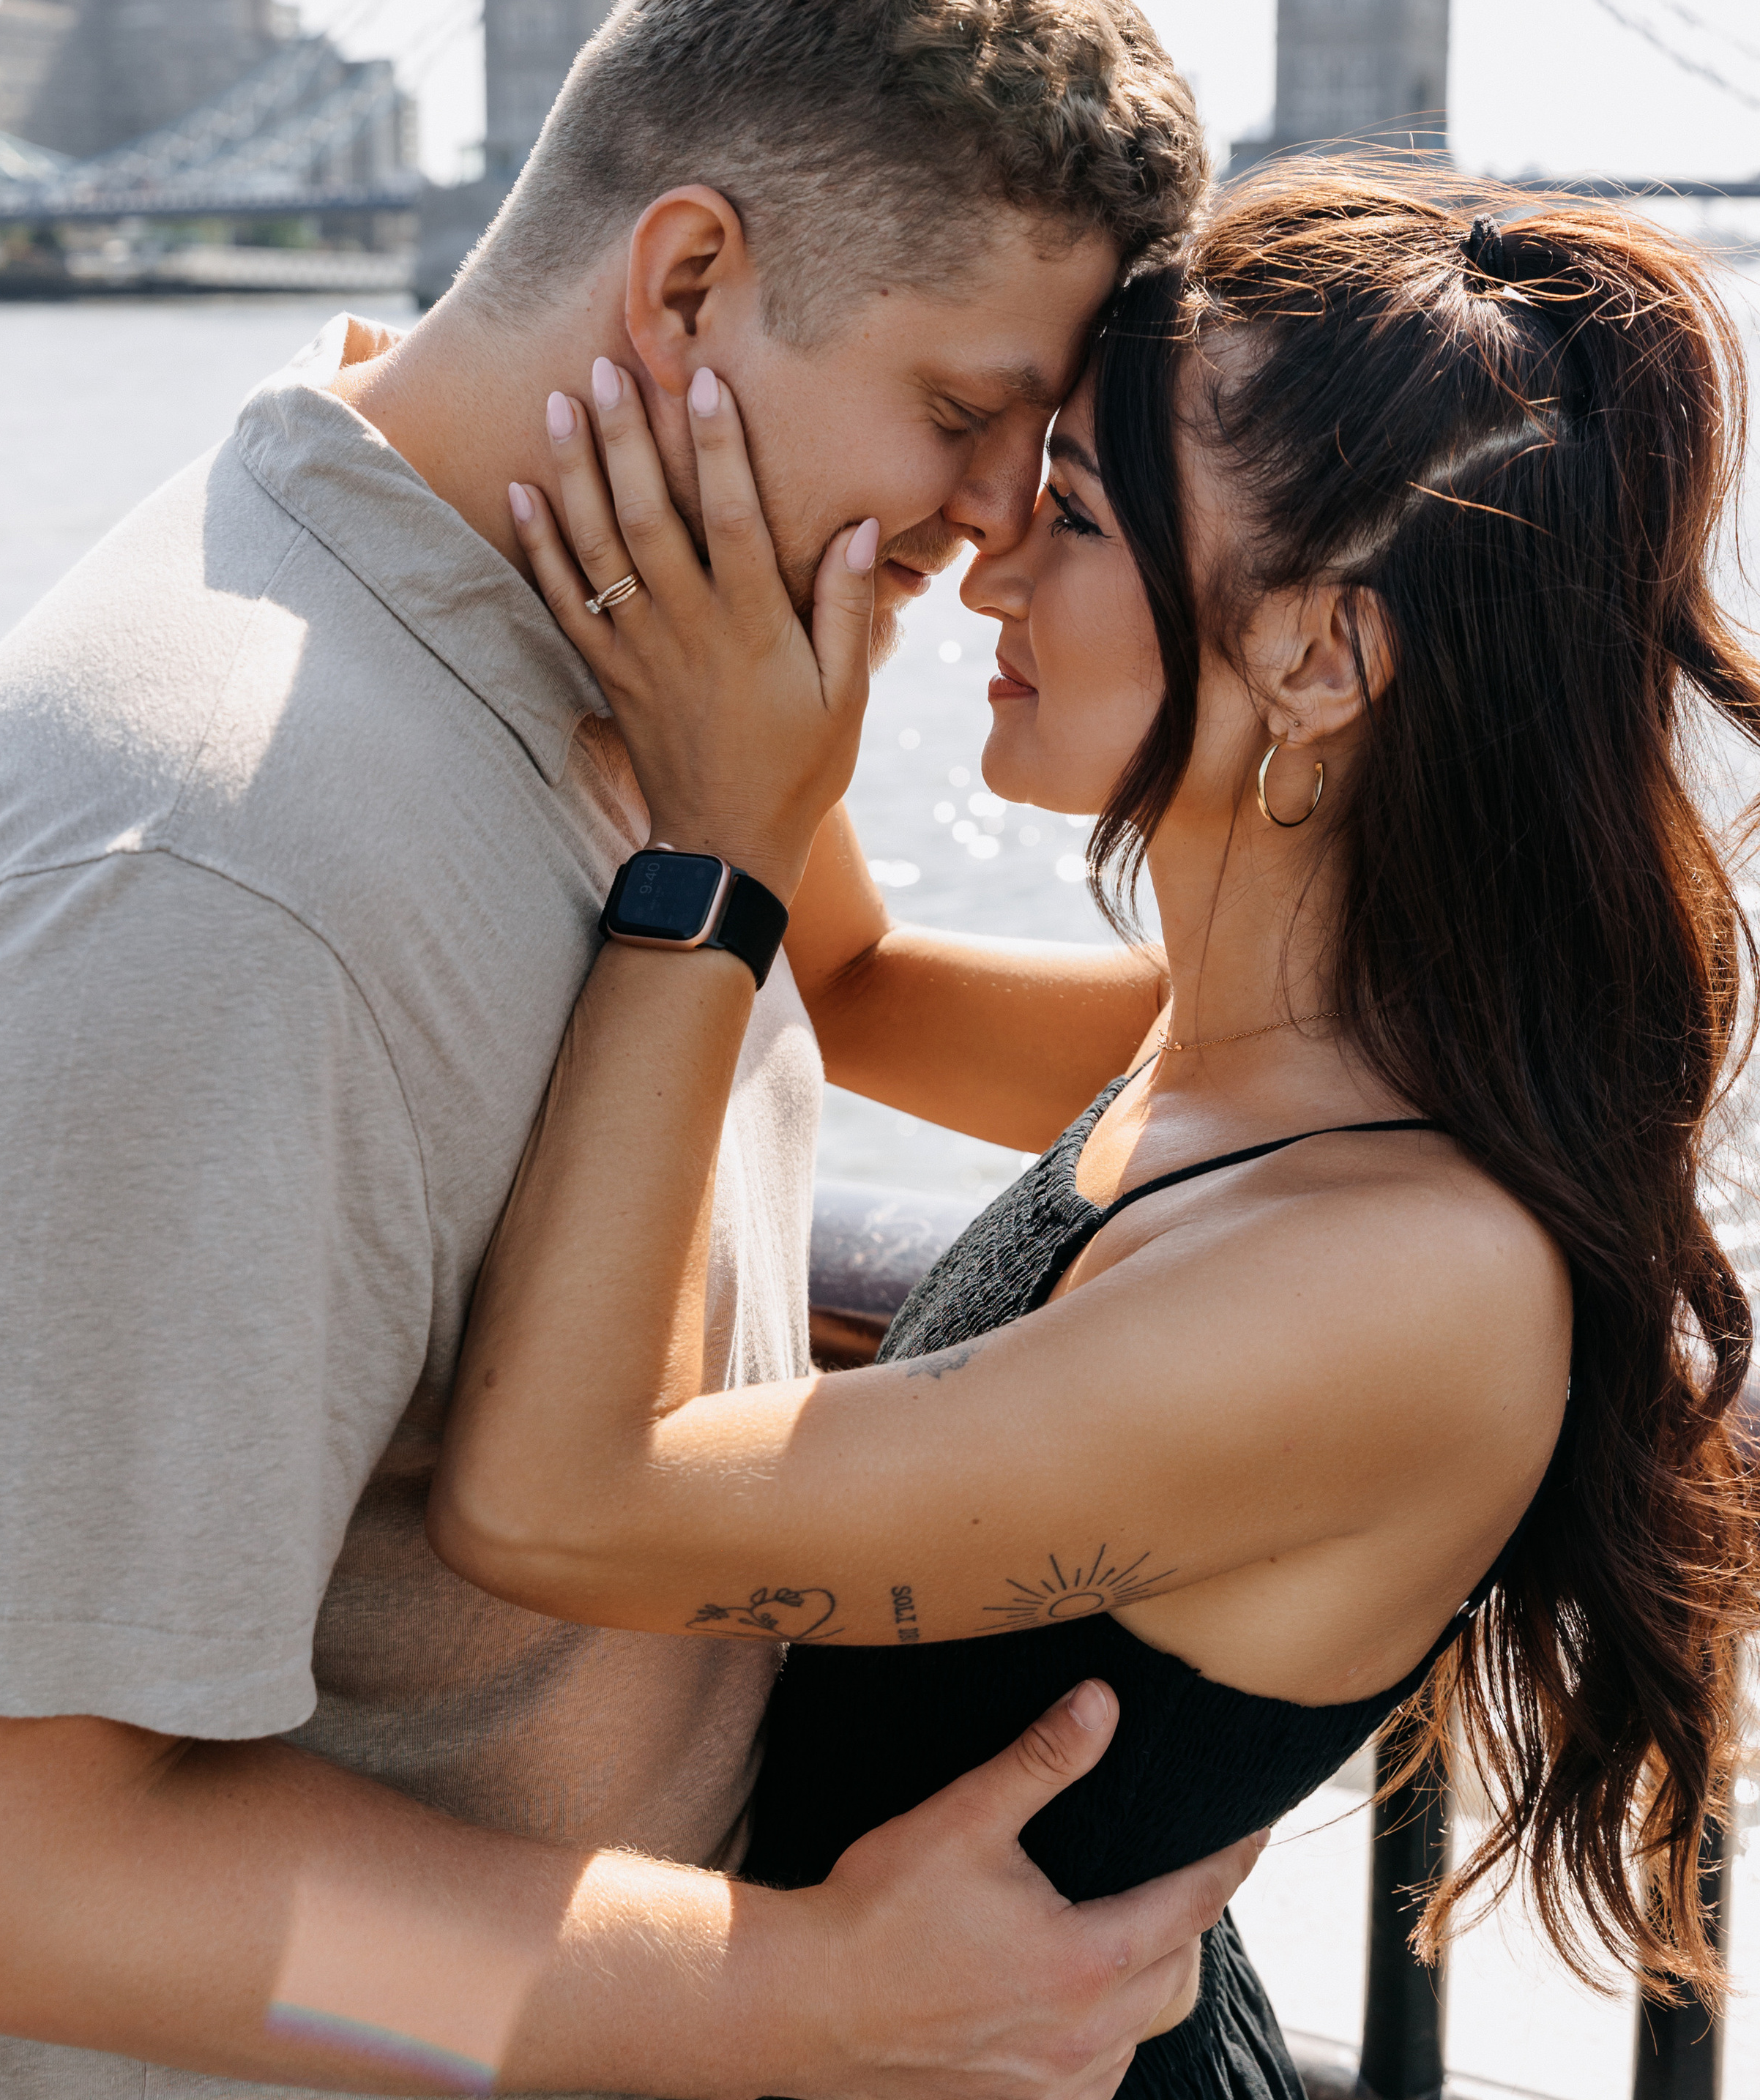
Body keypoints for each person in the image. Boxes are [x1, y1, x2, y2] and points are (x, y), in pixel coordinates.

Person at [0, 0, 1267, 2099]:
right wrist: (792, 1995)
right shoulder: (217, 879)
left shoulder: (621, 683)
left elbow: (924, 982)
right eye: (959, 414)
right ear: (690, 279)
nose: (1006, 518)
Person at [429, 165, 1760, 2096]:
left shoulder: (1392, 1275)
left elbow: (554, 1500)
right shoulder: (1265, 1049)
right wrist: (768, 507)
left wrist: (707, 858)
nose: (988, 567)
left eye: (1064, 516)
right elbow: (866, 984)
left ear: (1319, 656)